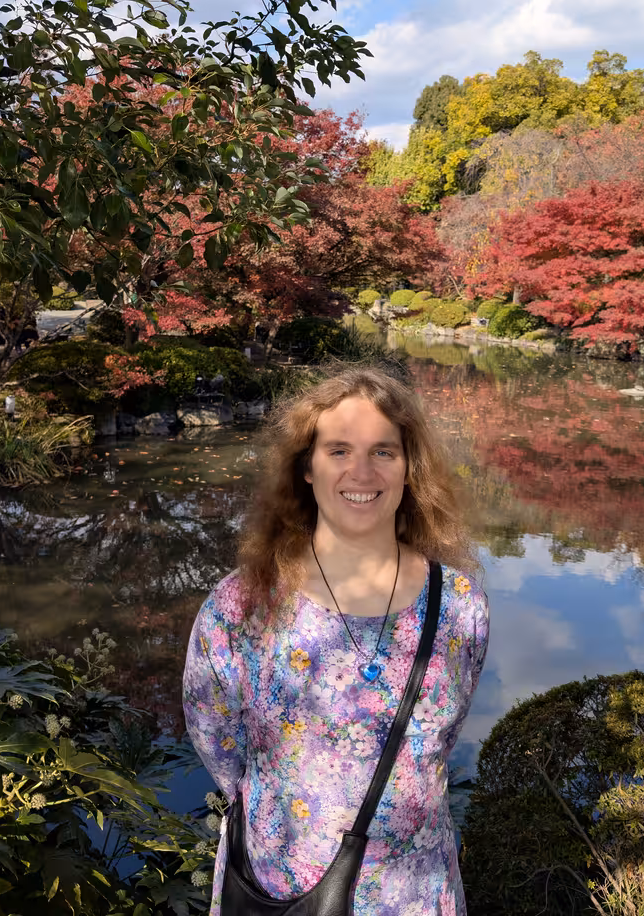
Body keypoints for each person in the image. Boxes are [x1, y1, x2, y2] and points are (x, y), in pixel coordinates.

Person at [183, 365, 489, 914]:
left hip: (414, 892)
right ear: (306, 466)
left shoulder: (459, 604)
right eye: (339, 450)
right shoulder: (243, 606)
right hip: (281, 889)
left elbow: (436, 743)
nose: (362, 472)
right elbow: (219, 745)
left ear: (409, 468)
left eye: (383, 452)